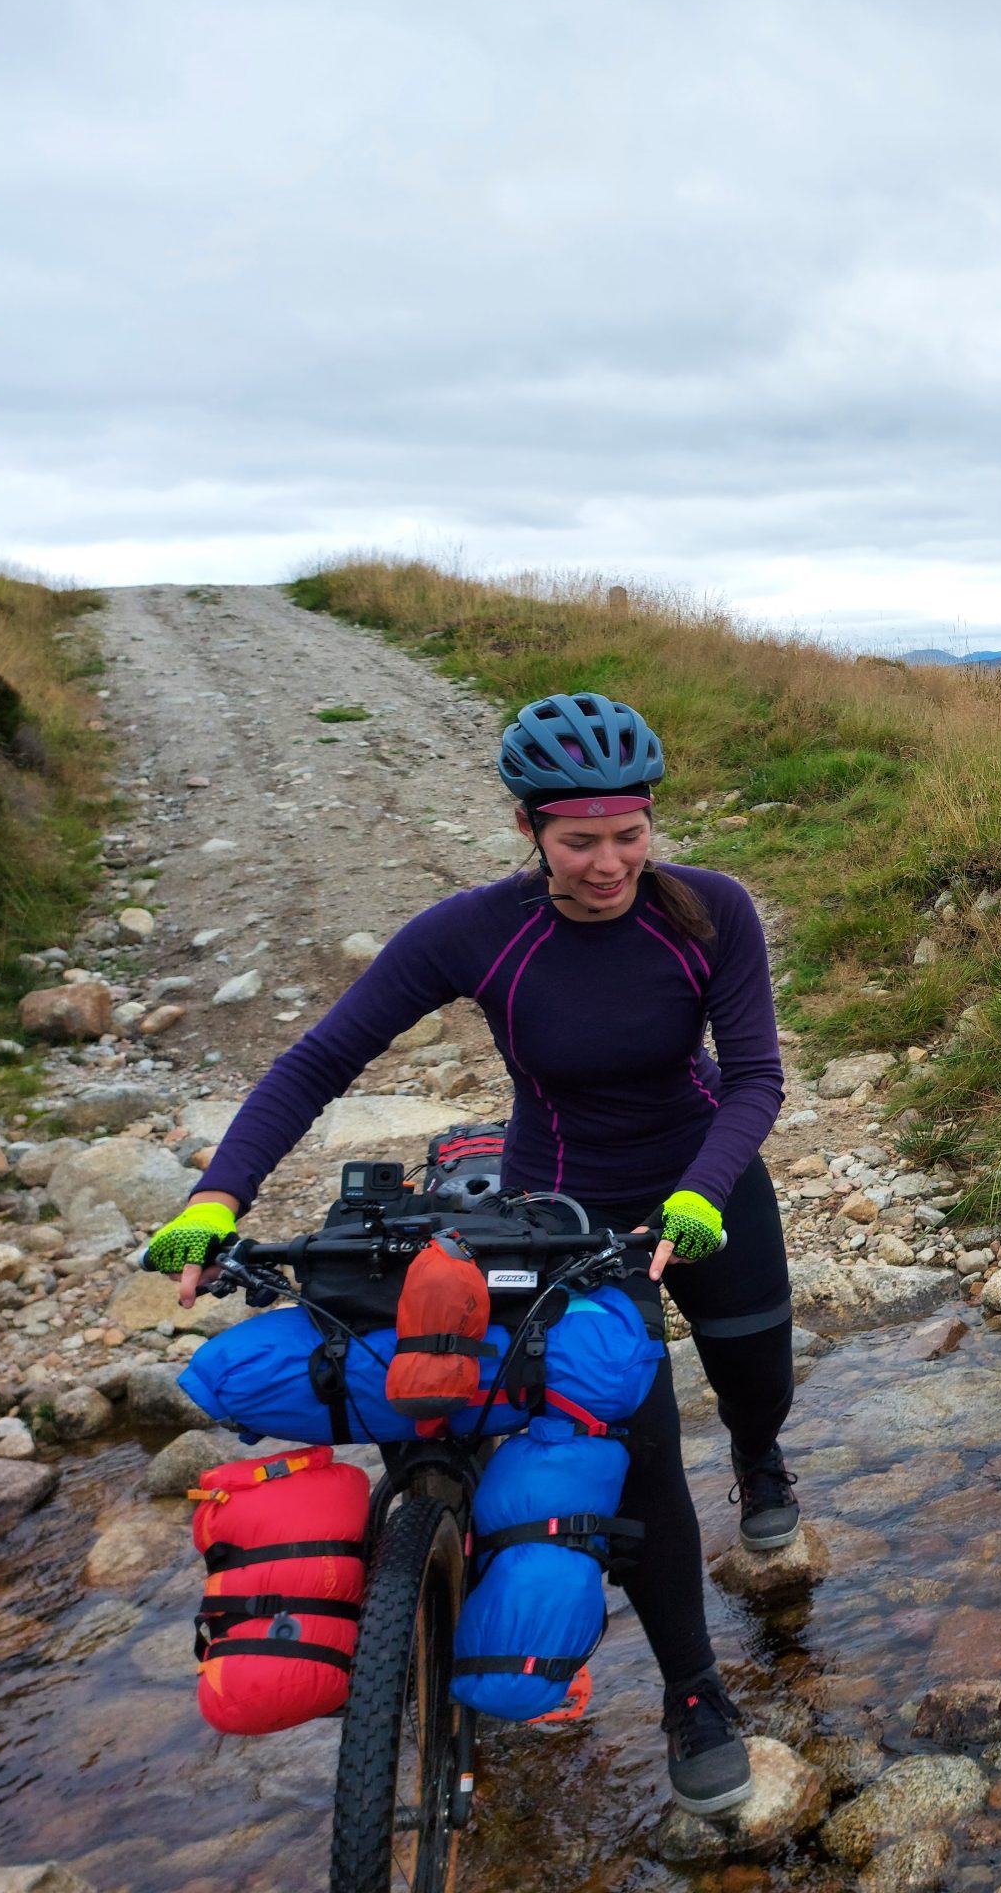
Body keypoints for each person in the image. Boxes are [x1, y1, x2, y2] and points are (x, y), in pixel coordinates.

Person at [142, 691, 794, 1815]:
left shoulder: (709, 913)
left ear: (651, 819)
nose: (608, 863)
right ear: (529, 828)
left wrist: (698, 1194)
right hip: (561, 1211)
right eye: (580, 840)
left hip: (708, 1181)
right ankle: (694, 1692)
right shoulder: (477, 932)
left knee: (755, 1380)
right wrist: (216, 1196)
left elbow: (755, 1080)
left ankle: (762, 1461)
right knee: (627, 1447)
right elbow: (317, 1061)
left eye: (629, 835)